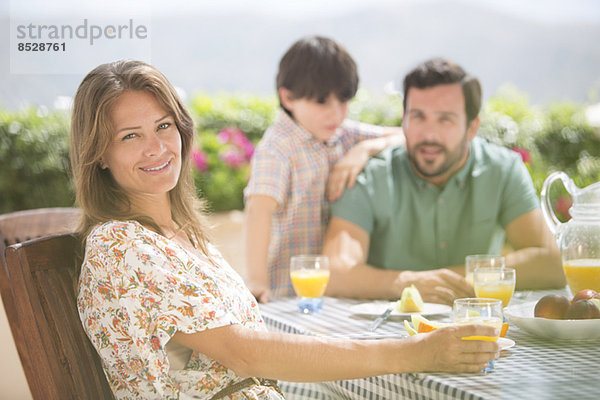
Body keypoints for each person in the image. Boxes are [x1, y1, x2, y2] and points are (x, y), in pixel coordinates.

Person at [72, 60, 499, 399]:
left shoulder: (182, 237)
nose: (156, 147)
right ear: (100, 155)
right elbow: (246, 351)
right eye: (130, 136)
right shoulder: (122, 245)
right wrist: (416, 352)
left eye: (164, 126)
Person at [323, 57, 565, 304]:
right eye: (418, 116)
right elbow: (335, 273)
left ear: (471, 128)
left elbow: (551, 263)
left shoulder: (503, 170)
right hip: (384, 333)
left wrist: (437, 281)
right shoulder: (370, 176)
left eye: (445, 119)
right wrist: (407, 284)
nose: (429, 134)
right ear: (404, 119)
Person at [244, 36, 403, 302]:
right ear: (288, 97)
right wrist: (257, 280)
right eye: (322, 102)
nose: (336, 113)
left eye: (343, 101)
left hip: (334, 292)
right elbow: (259, 210)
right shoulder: (278, 148)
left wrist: (363, 150)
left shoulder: (344, 134)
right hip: (284, 292)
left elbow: (406, 136)